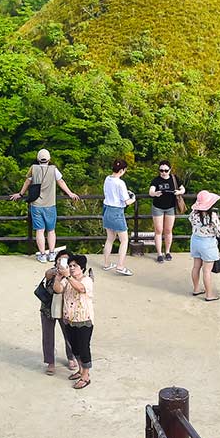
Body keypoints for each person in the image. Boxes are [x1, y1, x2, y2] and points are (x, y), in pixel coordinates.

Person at [9, 148, 80, 262]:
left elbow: (27, 182)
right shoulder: (53, 169)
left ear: (38, 159)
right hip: (50, 204)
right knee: (51, 230)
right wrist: (70, 193)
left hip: (36, 204)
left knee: (40, 230)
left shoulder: (33, 168)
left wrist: (20, 194)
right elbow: (61, 181)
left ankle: (42, 255)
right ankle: (52, 254)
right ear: (49, 159)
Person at [60, 253, 96, 389]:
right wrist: (58, 278)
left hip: (84, 320)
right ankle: (80, 370)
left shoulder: (86, 280)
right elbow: (58, 290)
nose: (72, 268)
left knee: (83, 347)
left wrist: (68, 276)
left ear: (82, 268)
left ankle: (86, 376)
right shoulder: (66, 280)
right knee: (74, 347)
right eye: (70, 266)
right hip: (69, 320)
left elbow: (81, 289)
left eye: (74, 266)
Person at [38, 248, 74, 376]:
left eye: (65, 260)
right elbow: (46, 275)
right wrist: (56, 272)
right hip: (48, 308)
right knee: (48, 335)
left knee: (69, 334)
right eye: (60, 259)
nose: (62, 261)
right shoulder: (52, 271)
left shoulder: (72, 273)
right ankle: (50, 362)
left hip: (65, 308)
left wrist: (67, 274)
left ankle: (71, 357)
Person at [101, 158, 135, 276]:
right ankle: (120, 266)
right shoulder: (120, 183)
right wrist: (133, 198)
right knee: (124, 240)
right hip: (117, 211)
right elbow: (126, 201)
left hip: (106, 209)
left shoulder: (107, 179)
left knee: (110, 238)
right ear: (122, 170)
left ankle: (106, 264)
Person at [187, 190, 220, 302]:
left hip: (195, 240)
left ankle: (196, 289)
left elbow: (191, 221)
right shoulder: (212, 216)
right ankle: (209, 294)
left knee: (196, 266)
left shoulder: (193, 214)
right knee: (207, 271)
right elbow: (219, 231)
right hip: (208, 243)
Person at [147, 160, 185, 262]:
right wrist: (155, 193)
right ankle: (159, 253)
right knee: (158, 230)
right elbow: (151, 191)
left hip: (170, 207)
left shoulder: (174, 178)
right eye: (161, 170)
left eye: (165, 170)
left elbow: (183, 189)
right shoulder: (156, 180)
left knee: (168, 230)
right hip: (158, 207)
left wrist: (178, 192)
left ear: (170, 170)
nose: (163, 172)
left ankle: (167, 252)